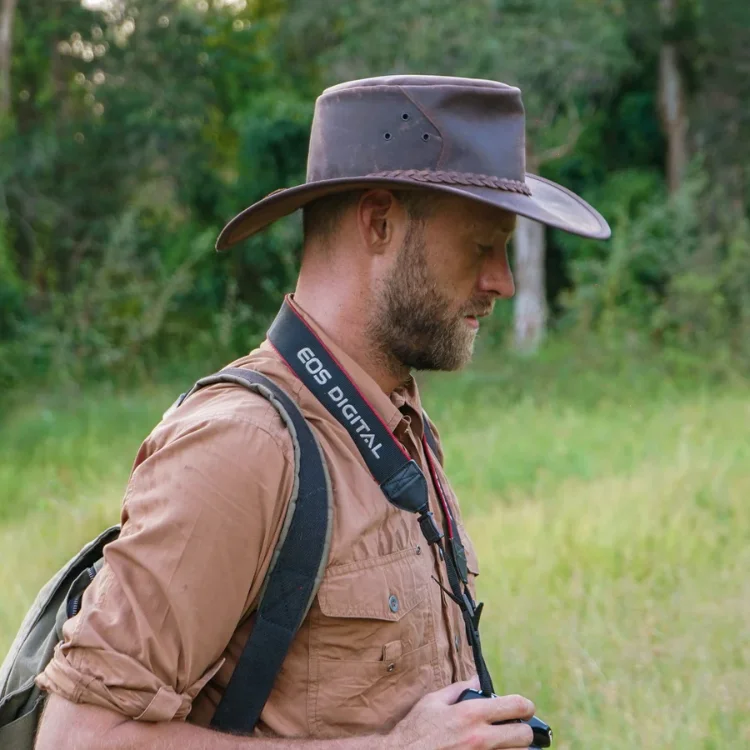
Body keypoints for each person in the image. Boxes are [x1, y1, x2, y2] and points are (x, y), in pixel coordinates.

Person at [34, 75, 609, 750]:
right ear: (379, 221)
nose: (501, 281)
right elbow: (79, 738)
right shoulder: (241, 445)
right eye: (482, 244)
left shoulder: (397, 421)